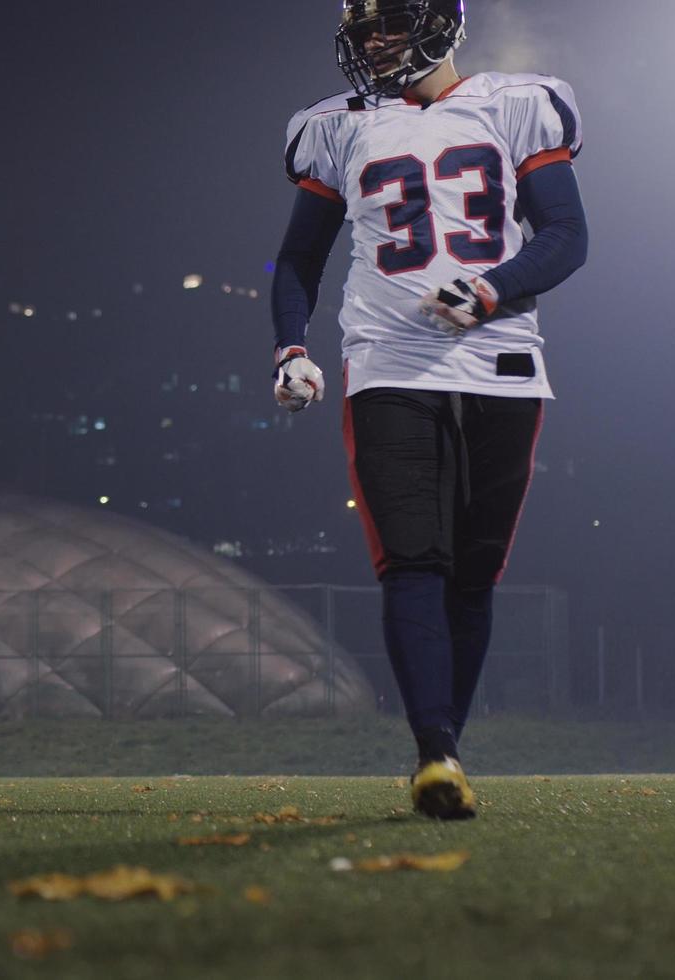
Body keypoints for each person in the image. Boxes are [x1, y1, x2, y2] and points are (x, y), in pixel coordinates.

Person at [269, 0, 589, 818]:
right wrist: (291, 348)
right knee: (413, 559)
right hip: (387, 362)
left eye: (390, 23)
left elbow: (565, 235)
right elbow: (298, 260)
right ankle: (435, 754)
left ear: (441, 22)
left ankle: (448, 743)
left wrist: (490, 289)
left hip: (502, 364)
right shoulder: (337, 126)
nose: (374, 43)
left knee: (475, 573)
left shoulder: (518, 104)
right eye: (364, 29)